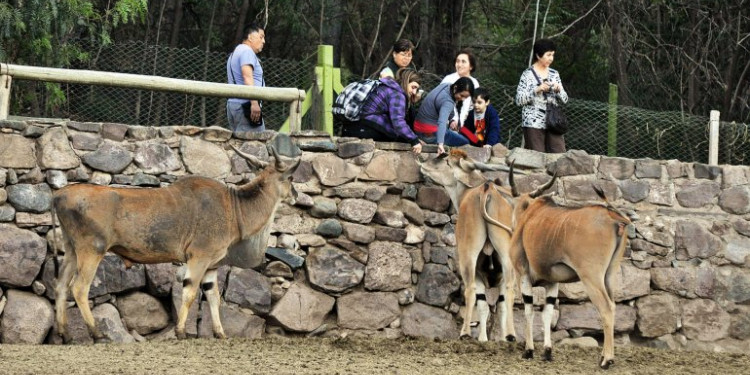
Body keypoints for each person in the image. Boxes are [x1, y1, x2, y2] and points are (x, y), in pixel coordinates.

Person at [341, 68, 423, 154]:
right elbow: (398, 122)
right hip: (365, 129)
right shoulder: (397, 93)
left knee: (399, 136)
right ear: (406, 82)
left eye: (416, 89)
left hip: (349, 127)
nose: (414, 92)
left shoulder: (386, 86)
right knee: (396, 136)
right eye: (413, 87)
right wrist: (414, 140)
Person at [515, 38, 568, 153]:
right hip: (533, 121)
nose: (551, 58)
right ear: (538, 55)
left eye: (553, 55)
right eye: (548, 55)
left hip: (554, 121)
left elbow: (565, 99)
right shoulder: (527, 74)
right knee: (536, 156)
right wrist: (536, 90)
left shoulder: (554, 74)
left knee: (559, 154)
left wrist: (558, 90)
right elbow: (519, 100)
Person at [414, 77, 475, 155]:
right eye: (462, 95)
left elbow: (444, 106)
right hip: (428, 134)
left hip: (417, 128)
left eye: (465, 97)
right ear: (455, 88)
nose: (463, 99)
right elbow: (442, 122)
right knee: (465, 142)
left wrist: (451, 120)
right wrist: (440, 144)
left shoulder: (446, 86)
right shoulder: (448, 102)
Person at [226, 23, 266, 132]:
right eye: (261, 37)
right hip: (246, 106)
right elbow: (247, 77)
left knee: (239, 144)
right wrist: (254, 103)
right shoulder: (247, 51)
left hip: (233, 104)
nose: (264, 41)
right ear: (250, 37)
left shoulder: (235, 52)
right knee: (255, 145)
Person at [441, 50, 480, 127]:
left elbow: (475, 106)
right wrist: (451, 120)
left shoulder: (475, 84)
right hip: (447, 124)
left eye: (463, 62)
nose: (459, 64)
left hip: (466, 125)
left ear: (471, 66)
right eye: (457, 61)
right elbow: (441, 102)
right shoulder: (448, 80)